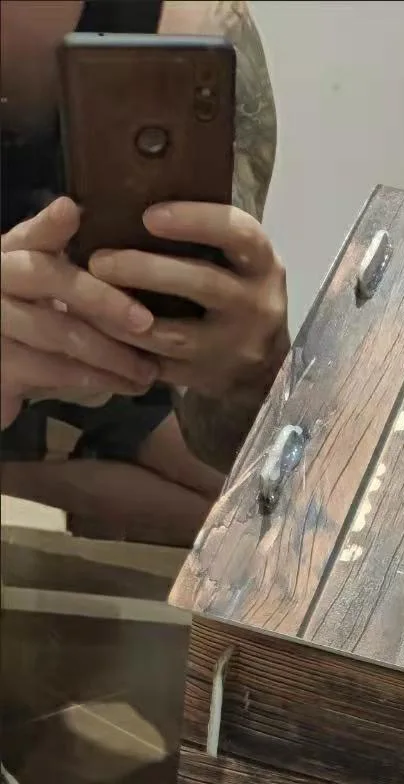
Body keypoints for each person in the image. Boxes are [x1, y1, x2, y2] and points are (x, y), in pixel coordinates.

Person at [0, 0, 289, 546]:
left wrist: (248, 376)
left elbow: (227, 431)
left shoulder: (193, 29)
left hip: (126, 373)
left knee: (266, 519)